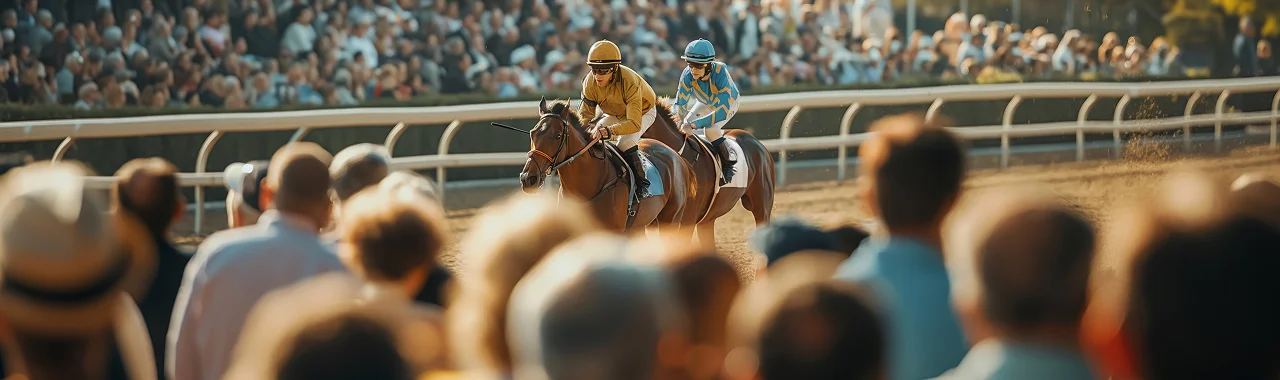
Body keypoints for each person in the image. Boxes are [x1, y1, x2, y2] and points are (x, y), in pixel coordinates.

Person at [579, 39, 659, 199]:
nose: (597, 75)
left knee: (625, 143)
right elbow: (585, 116)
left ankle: (642, 185)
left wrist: (609, 131)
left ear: (615, 68)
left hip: (643, 112)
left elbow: (634, 123)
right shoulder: (589, 82)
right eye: (594, 70)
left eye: (603, 71)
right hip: (616, 113)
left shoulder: (629, 82)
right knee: (594, 136)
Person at [674, 39, 741, 184]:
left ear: (710, 65)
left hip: (728, 104)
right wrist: (680, 121)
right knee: (684, 125)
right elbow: (680, 104)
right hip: (704, 102)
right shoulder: (687, 74)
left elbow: (721, 112)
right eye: (690, 64)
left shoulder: (720, 72)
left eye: (699, 65)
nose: (693, 69)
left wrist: (694, 125)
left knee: (710, 131)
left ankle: (728, 166)